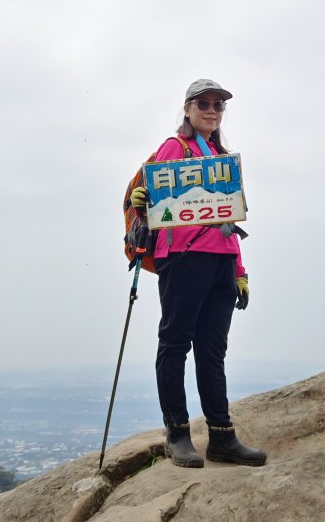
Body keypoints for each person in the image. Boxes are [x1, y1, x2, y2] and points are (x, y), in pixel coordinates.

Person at [128, 78, 267, 468]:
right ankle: (177, 434)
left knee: (212, 351)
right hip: (183, 257)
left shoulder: (221, 155)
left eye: (218, 105)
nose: (211, 109)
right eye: (203, 103)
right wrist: (142, 200)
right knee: (175, 344)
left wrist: (239, 270)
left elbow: (228, 218)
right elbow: (150, 203)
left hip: (221, 260)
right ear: (187, 109)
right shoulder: (174, 147)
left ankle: (222, 437)